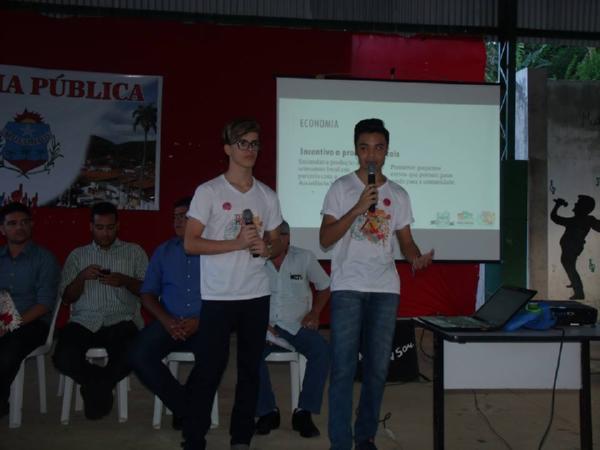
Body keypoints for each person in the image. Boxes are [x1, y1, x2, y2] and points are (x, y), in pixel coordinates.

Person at [320, 118, 433, 450]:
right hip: (348, 287)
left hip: (385, 289)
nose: (371, 155)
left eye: (378, 148)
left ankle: (365, 435)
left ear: (387, 151)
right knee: (343, 368)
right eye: (365, 148)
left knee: (378, 370)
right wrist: (357, 208)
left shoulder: (398, 193)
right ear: (356, 150)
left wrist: (415, 257)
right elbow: (325, 239)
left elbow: (406, 241)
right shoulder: (341, 188)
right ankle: (340, 441)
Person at [183, 118, 283, 450]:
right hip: (219, 296)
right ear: (227, 149)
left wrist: (268, 249)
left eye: (254, 143)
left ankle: (241, 438)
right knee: (209, 369)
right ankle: (193, 438)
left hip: (256, 294)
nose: (249, 149)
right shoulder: (209, 192)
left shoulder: (267, 195)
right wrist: (237, 244)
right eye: (242, 143)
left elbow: (278, 239)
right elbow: (190, 243)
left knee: (250, 370)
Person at [52, 201, 148, 420]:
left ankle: (94, 387)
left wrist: (125, 281)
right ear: (91, 227)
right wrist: (81, 277)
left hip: (121, 320)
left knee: (132, 354)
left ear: (118, 226)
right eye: (100, 227)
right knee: (63, 357)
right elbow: (67, 298)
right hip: (84, 321)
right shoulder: (78, 255)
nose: (105, 233)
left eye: (110, 228)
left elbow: (148, 291)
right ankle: (100, 384)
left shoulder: (134, 252)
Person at [128, 196, 202, 429]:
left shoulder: (214, 251)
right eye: (175, 217)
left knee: (215, 355)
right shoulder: (164, 251)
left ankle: (184, 409)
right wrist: (167, 321)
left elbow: (225, 296)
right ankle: (184, 406)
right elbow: (147, 293)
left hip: (204, 322)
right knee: (138, 355)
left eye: (184, 216)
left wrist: (199, 320)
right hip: (168, 321)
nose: (178, 221)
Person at [255, 220, 331, 438]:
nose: (266, 241)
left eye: (270, 237)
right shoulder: (255, 261)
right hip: (265, 326)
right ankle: (267, 412)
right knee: (249, 352)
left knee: (322, 351)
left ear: (286, 238)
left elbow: (325, 287)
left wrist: (314, 312)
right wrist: (260, 324)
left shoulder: (304, 257)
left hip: (298, 325)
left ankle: (304, 412)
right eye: (264, 237)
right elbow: (245, 296)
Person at [0, 202, 60, 417]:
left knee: (7, 351)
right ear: (2, 229)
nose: (19, 227)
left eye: (24, 222)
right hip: (2, 319)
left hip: (32, 323)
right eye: (12, 223)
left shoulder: (44, 259)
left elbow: (44, 305)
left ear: (32, 225)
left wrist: (9, 325)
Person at [550, 195, 600, 299]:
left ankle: (579, 292)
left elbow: (555, 218)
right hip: (570, 248)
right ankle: (575, 283)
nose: (575, 205)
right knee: (570, 267)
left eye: (578, 204)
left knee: (570, 267)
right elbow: (555, 218)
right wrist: (557, 205)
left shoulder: (585, 220)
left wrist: (557, 205)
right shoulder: (579, 220)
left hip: (572, 249)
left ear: (583, 207)